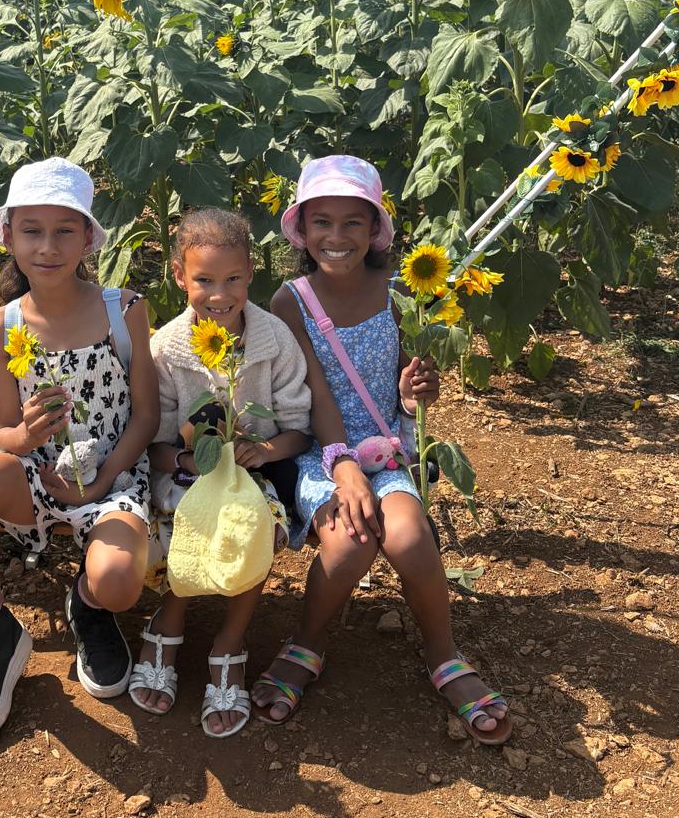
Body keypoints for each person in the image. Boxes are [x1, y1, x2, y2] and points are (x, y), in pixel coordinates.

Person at [251, 155, 512, 743]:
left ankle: (443, 654)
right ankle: (307, 643)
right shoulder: (290, 301)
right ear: (302, 229)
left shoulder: (399, 293)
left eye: (352, 223)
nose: (337, 237)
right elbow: (313, 390)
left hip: (385, 448)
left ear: (375, 231)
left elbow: (407, 385)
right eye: (323, 222)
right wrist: (343, 467)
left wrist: (417, 389)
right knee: (348, 546)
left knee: (413, 538)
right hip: (318, 452)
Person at [0, 159, 159, 745]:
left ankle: (88, 607)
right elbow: (4, 431)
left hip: (113, 477)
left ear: (88, 237)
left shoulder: (124, 310)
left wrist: (105, 476)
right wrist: (29, 437)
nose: (48, 246)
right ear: (8, 236)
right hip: (36, 477)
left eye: (65, 231)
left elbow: (147, 413)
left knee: (118, 582)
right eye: (31, 230)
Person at [134, 208, 311, 737]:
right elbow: (154, 444)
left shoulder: (273, 340)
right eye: (204, 280)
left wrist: (266, 448)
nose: (220, 294)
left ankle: (229, 640)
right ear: (178, 275)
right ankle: (170, 619)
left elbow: (299, 428)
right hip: (183, 475)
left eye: (233, 278)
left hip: (254, 476)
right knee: (193, 519)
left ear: (251, 273)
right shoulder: (165, 349)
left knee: (250, 521)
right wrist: (191, 457)